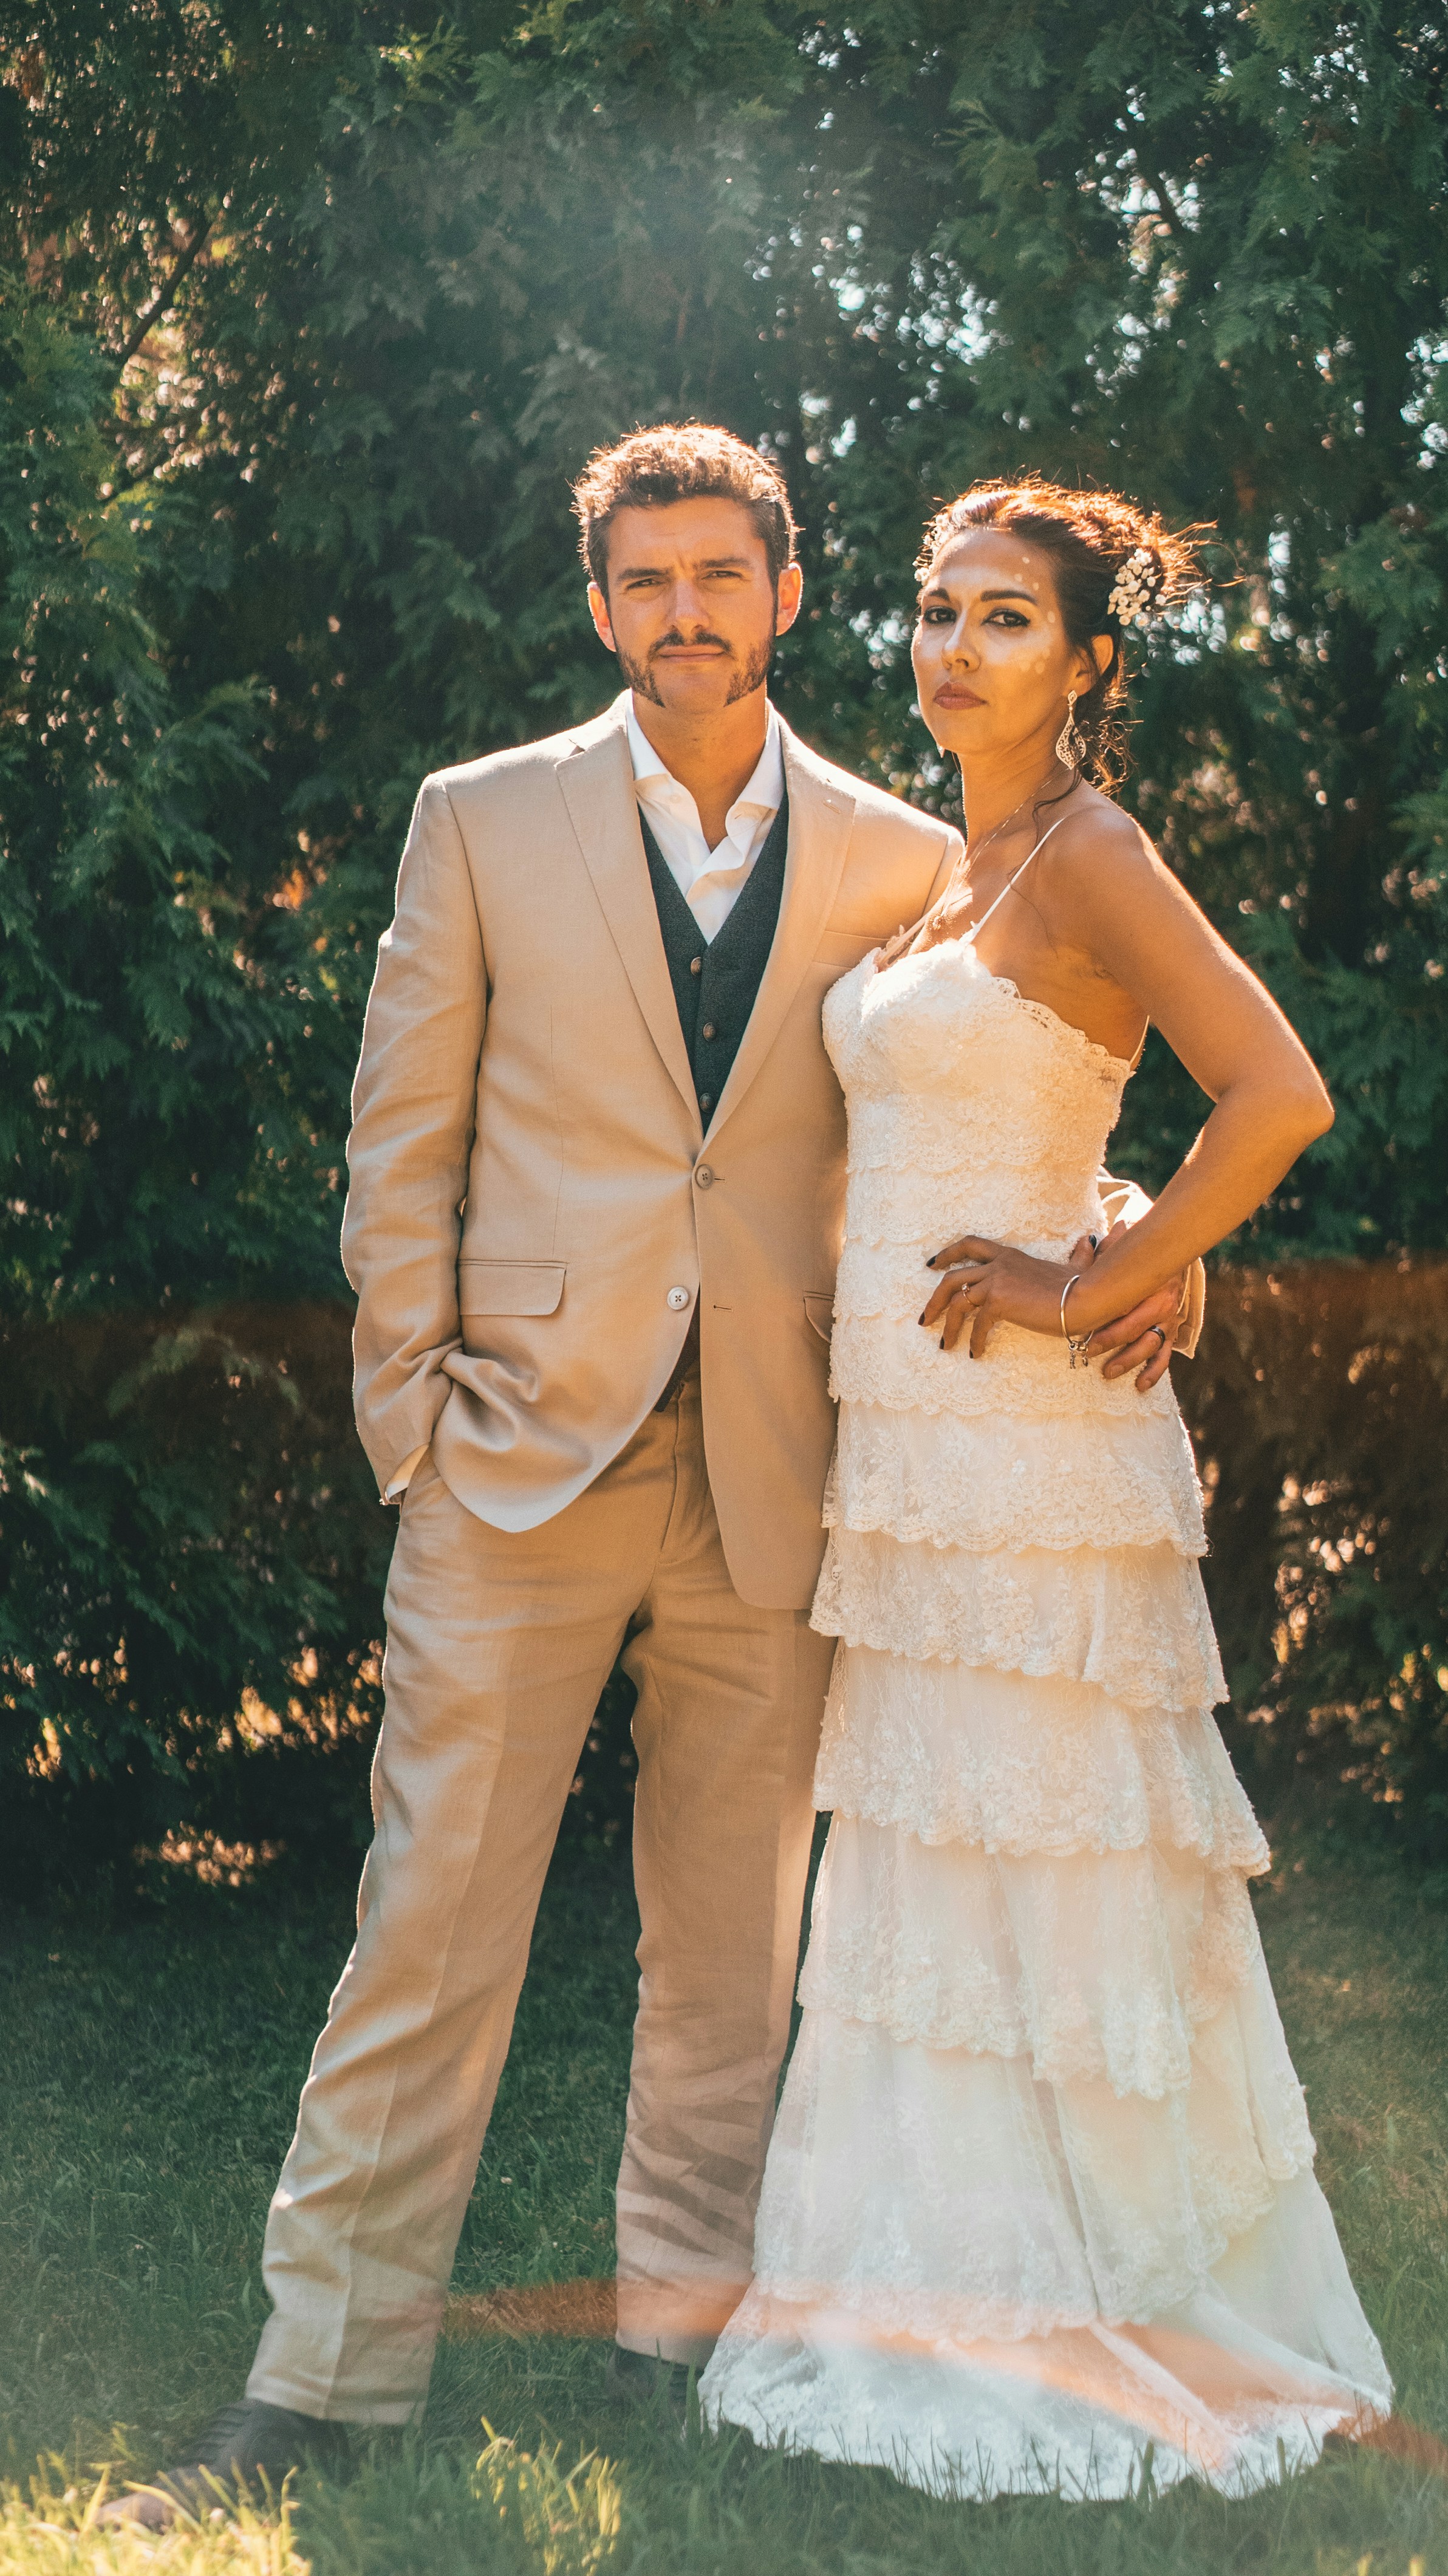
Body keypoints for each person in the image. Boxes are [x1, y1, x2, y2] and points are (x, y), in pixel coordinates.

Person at [104, 431, 1194, 2528]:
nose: (685, 610)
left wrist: (1143, 1260)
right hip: (513, 1464)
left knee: (731, 1953)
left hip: (792, 1471)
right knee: (429, 1926)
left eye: (723, 574)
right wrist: (411, 1421)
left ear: (788, 595)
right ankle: (322, 2377)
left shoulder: (903, 852)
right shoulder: (481, 822)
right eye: (645, 580)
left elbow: (998, 1090)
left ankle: (674, 2340)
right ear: (599, 608)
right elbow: (397, 1145)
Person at [698, 478, 1392, 2498]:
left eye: (1005, 619)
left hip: (1033, 1445)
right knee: (931, 1845)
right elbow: (992, 1104)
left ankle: (1108, 2291)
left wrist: (1112, 1269)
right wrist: (1092, 1205)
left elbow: (1278, 1092)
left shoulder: (1092, 852)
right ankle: (929, 2266)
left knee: (1050, 1849)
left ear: (1091, 662)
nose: (951, 648)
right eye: (933, 610)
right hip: (904, 1454)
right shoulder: (944, 864)